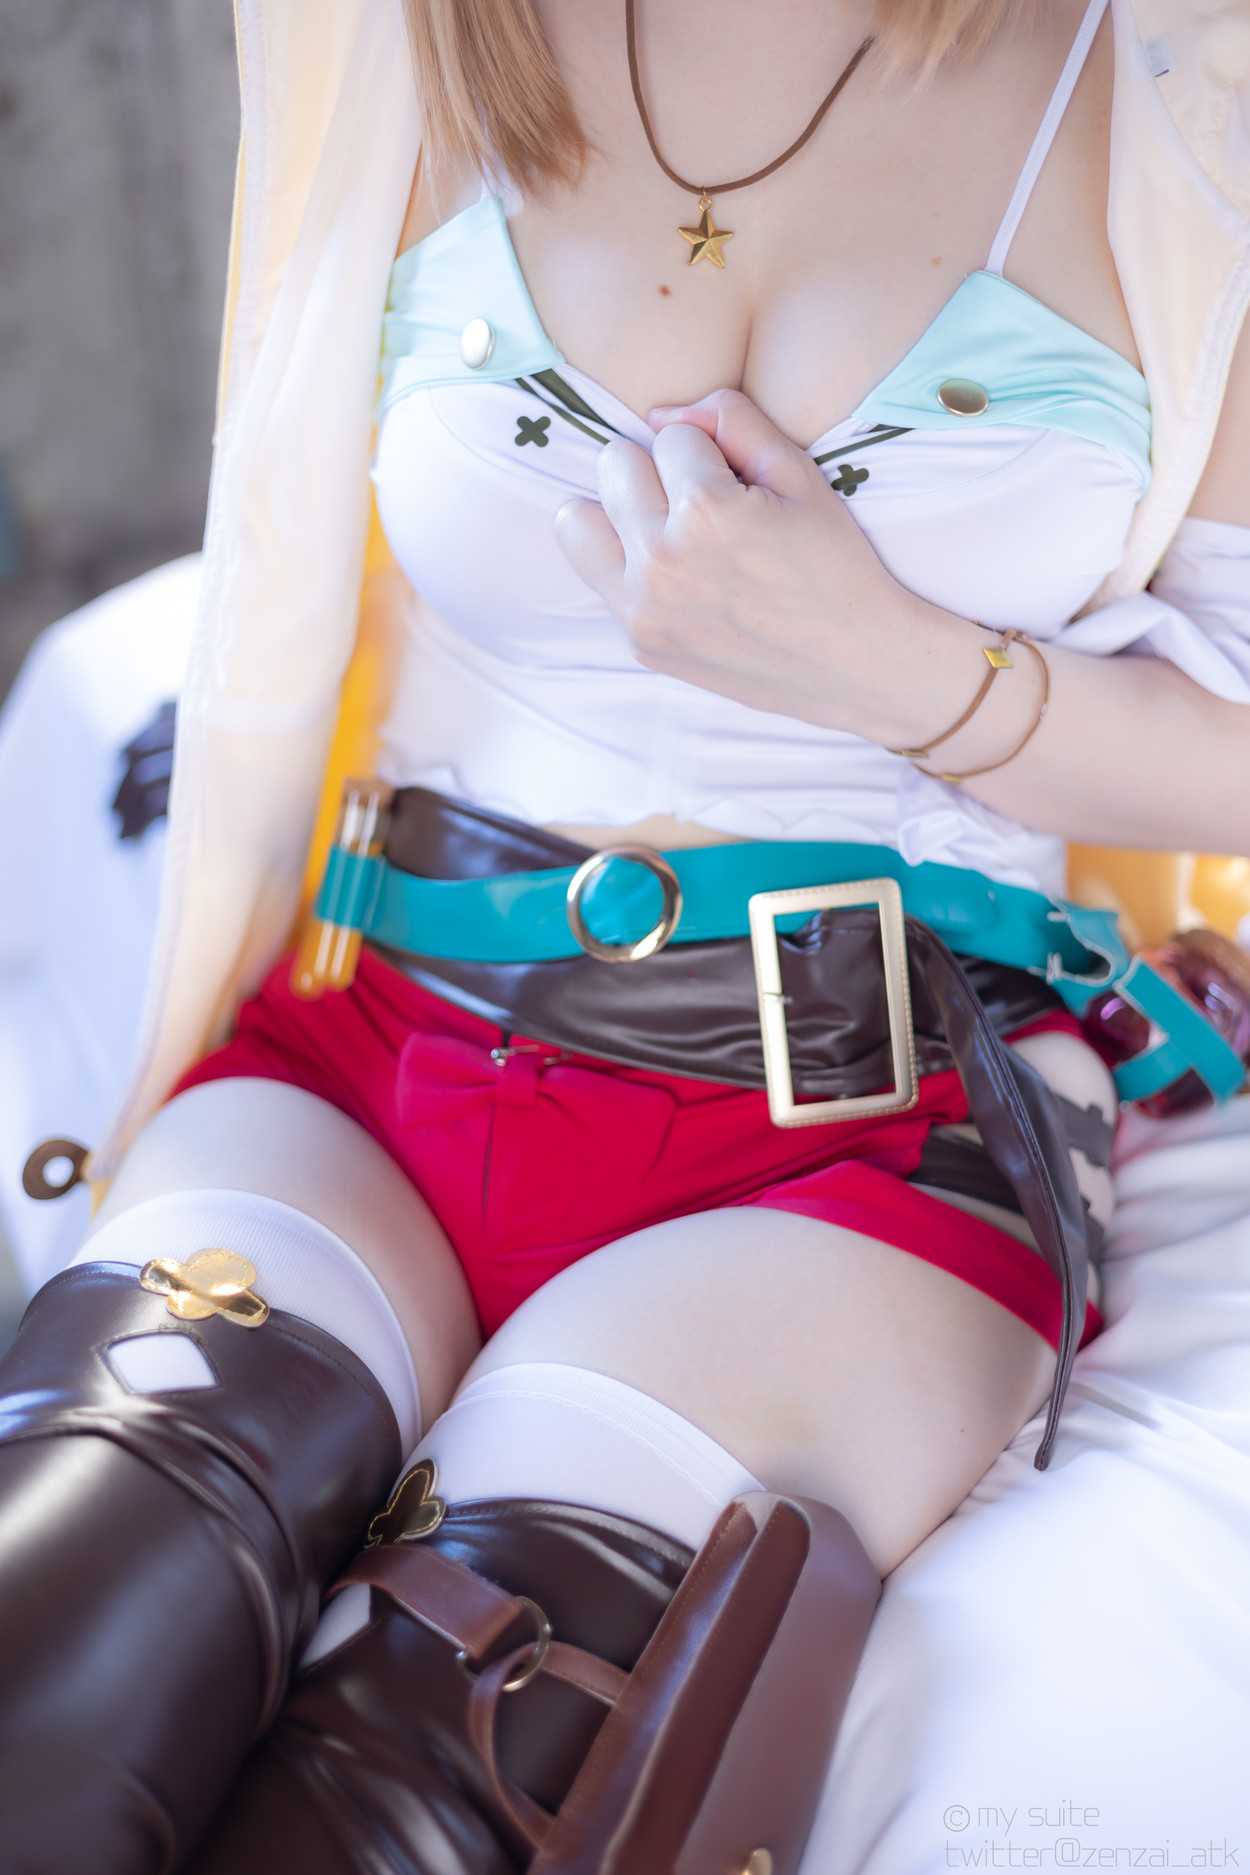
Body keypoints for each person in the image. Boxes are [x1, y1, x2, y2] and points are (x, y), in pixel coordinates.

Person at [4, 0, 1249, 1869]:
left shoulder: (1180, 86)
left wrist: (900, 670)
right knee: (60, 1662)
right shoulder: (416, 38)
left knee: (417, 1785)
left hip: (856, 1134)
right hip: (376, 1040)